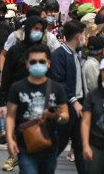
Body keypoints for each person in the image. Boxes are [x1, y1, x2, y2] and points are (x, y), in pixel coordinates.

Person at [5, 44, 70, 174]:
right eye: (33, 62)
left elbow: (65, 115)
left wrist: (56, 115)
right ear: (27, 64)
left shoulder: (57, 88)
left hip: (49, 145)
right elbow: (10, 116)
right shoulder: (17, 88)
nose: (37, 64)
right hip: (25, 145)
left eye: (41, 61)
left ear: (49, 64)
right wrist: (10, 139)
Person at [51, 20, 88, 173]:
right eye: (84, 34)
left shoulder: (77, 54)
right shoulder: (59, 55)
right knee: (59, 144)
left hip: (79, 106)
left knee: (80, 145)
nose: (85, 38)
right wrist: (73, 100)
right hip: (65, 107)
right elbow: (59, 82)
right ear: (79, 36)